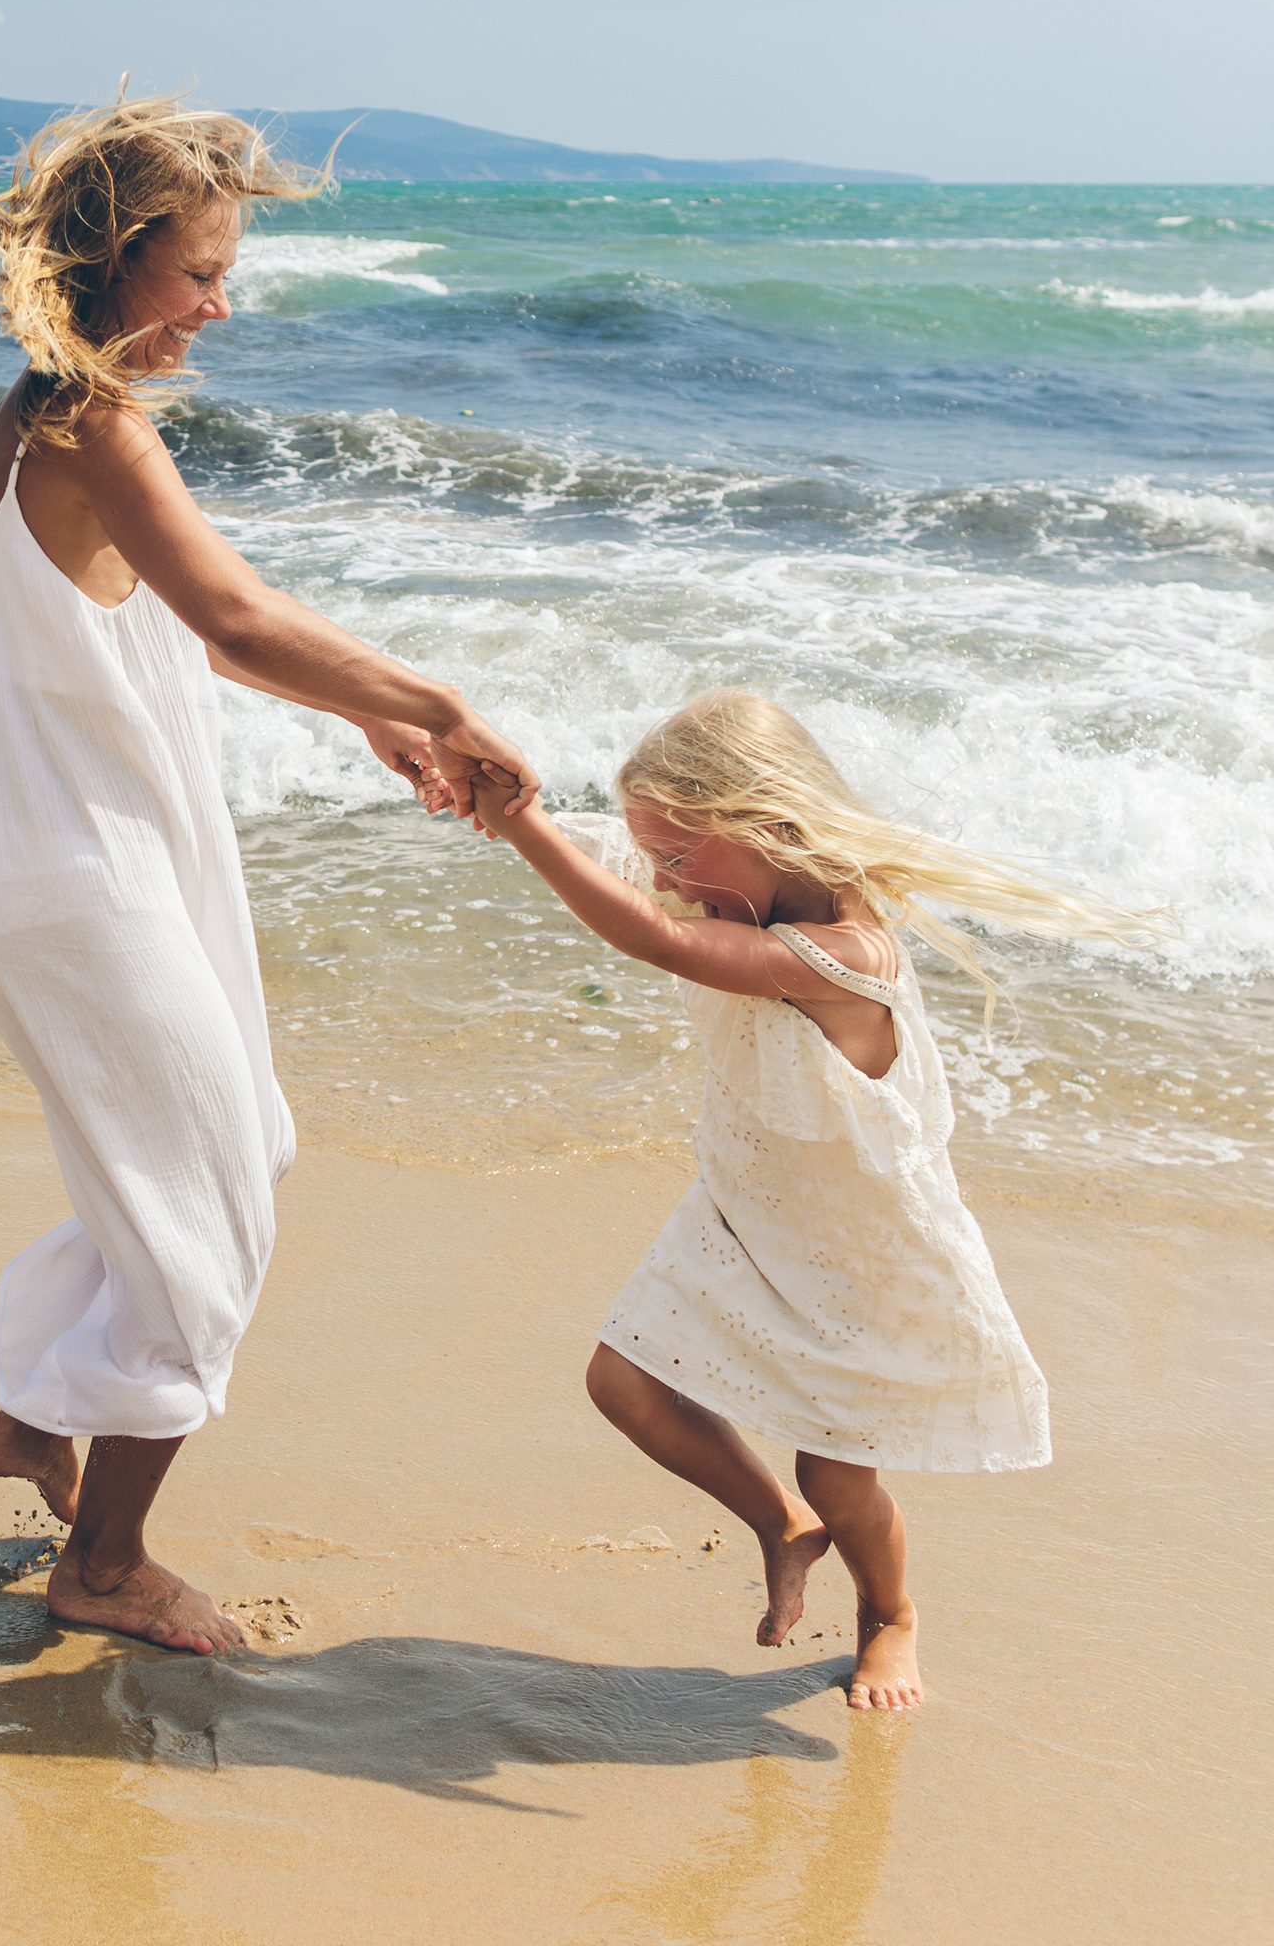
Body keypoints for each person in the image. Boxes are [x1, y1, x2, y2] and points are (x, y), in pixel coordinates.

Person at [0, 91, 535, 1658]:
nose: (221, 304)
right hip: (86, 885)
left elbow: (161, 635)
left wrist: (369, 727)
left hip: (78, 871)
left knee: (236, 1150)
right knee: (209, 1218)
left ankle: (33, 1418)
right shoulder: (92, 423)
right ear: (121, 262)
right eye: (200, 272)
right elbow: (236, 616)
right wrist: (440, 707)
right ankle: (107, 1565)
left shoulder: (27, 417)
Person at [463, 689, 1148, 1709]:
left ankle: (891, 1614)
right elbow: (634, 876)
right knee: (626, 1385)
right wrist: (490, 791)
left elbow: (665, 945)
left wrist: (521, 829)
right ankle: (779, 1523)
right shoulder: (726, 889)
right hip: (744, 1203)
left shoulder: (846, 953)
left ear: (773, 830)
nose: (663, 880)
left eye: (681, 858)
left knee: (840, 1473)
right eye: (657, 856)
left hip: (859, 1247)